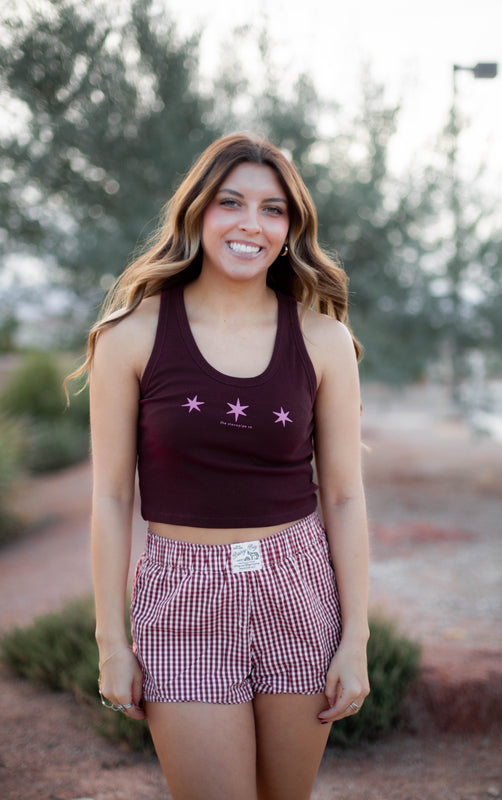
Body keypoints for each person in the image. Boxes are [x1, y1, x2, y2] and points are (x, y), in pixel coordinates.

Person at [72, 132, 370, 800]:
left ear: (290, 229)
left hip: (298, 593)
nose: (249, 223)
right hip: (181, 601)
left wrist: (355, 638)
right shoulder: (132, 336)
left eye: (271, 209)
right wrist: (111, 642)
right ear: (197, 212)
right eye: (229, 202)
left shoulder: (322, 340)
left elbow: (345, 499)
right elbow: (112, 498)